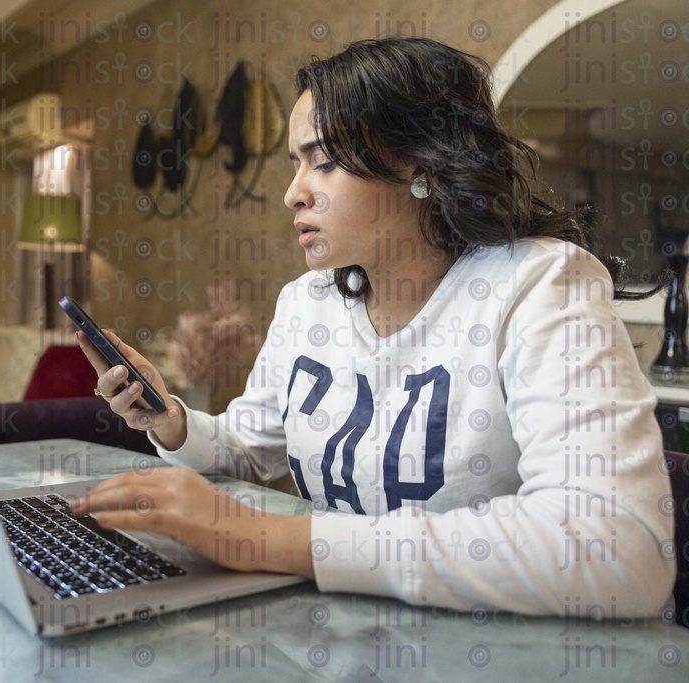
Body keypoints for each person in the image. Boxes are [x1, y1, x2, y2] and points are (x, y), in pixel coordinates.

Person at [70, 37, 675, 617]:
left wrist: (276, 540)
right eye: (294, 164)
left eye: (323, 162)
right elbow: (246, 449)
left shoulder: (540, 285)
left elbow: (618, 550)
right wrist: (169, 420)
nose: (292, 194)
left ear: (421, 165)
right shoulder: (307, 302)